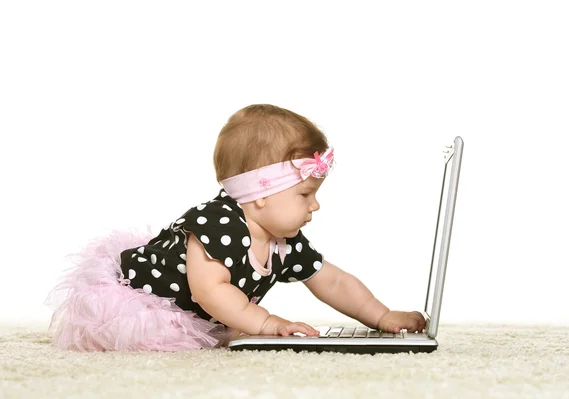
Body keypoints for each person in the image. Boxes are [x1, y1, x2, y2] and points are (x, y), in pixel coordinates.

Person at [46, 104, 425, 352]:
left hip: (196, 312)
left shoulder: (284, 241)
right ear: (262, 195)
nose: (315, 206)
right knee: (151, 343)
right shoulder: (218, 223)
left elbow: (333, 281)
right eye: (306, 194)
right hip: (139, 300)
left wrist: (380, 315)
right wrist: (266, 323)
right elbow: (210, 291)